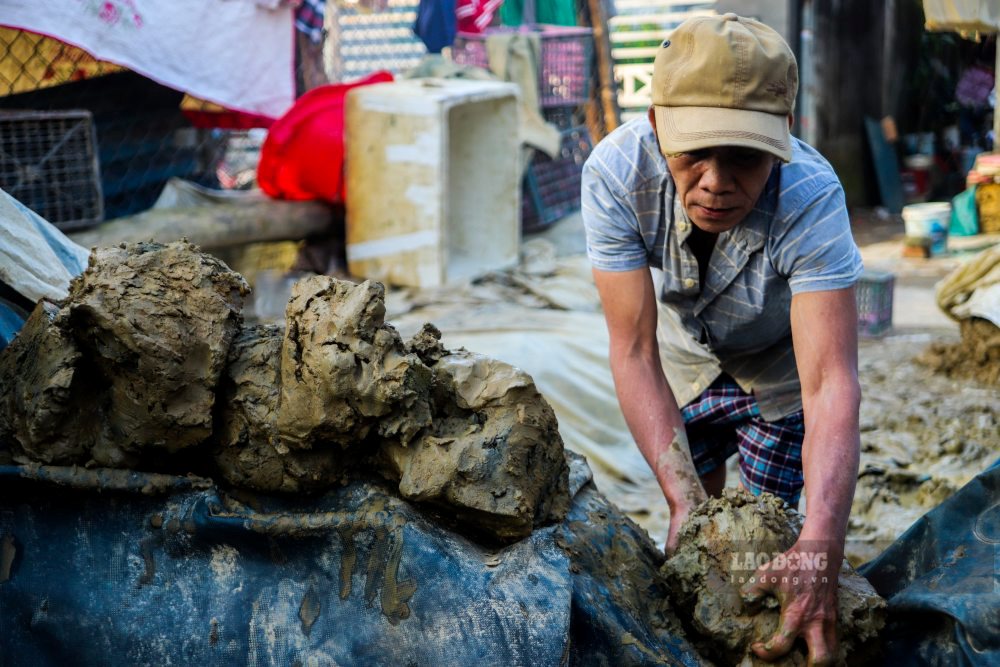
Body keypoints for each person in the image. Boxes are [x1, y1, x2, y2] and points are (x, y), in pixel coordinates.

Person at [581, 13, 862, 665]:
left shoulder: (812, 197)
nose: (715, 180)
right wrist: (680, 498)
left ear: (782, 140)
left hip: (780, 367)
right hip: (685, 356)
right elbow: (633, 349)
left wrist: (823, 540)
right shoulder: (616, 174)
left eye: (744, 155)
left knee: (769, 537)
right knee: (700, 525)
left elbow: (830, 383)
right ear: (656, 126)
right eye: (695, 152)